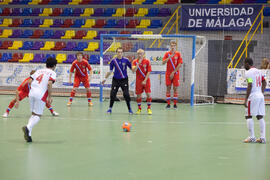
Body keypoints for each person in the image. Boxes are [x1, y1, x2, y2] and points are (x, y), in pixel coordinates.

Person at [22, 57, 57, 143]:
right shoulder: (52, 73)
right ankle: (28, 127)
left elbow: (29, 81)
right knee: (38, 115)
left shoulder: (38, 71)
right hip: (40, 95)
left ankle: (29, 136)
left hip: (31, 93)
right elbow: (49, 84)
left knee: (33, 114)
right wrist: (49, 96)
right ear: (54, 66)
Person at [101, 47, 133, 114]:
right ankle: (110, 108)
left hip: (124, 80)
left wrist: (137, 65)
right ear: (116, 53)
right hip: (116, 80)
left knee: (126, 94)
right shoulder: (113, 61)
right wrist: (104, 79)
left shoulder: (126, 60)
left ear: (123, 53)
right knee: (112, 94)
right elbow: (110, 71)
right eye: (118, 52)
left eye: (121, 52)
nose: (120, 53)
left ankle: (129, 109)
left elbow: (132, 69)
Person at [243, 57, 266, 144]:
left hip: (253, 97)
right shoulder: (259, 71)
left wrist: (245, 99)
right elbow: (264, 82)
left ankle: (252, 137)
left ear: (247, 63)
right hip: (260, 96)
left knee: (248, 116)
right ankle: (262, 138)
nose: (244, 65)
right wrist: (261, 92)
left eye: (244, 63)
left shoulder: (248, 72)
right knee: (260, 116)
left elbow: (250, 85)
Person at [162, 40, 183, 109]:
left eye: (174, 45)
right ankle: (168, 104)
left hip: (175, 73)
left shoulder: (178, 54)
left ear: (175, 46)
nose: (172, 47)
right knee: (168, 88)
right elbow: (163, 62)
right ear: (170, 46)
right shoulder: (167, 54)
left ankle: (175, 104)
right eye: (171, 45)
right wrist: (169, 57)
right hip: (168, 73)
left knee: (175, 88)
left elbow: (180, 64)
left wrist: (173, 73)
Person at [132, 49, 152, 115]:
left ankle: (149, 108)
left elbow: (149, 72)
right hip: (138, 81)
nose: (140, 55)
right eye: (138, 54)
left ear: (144, 54)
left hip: (146, 80)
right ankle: (139, 108)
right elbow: (133, 70)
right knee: (138, 95)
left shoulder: (147, 61)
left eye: (141, 54)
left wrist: (145, 80)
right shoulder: (135, 61)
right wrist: (138, 64)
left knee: (148, 94)